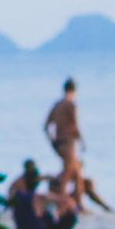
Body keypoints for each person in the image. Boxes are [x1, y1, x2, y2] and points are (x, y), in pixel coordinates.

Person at [43, 78, 82, 208]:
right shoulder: (71, 105)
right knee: (67, 174)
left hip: (58, 142)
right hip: (69, 142)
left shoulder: (57, 105)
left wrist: (52, 141)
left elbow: (46, 126)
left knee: (77, 174)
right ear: (74, 90)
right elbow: (75, 125)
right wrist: (82, 140)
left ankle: (79, 204)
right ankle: (62, 204)